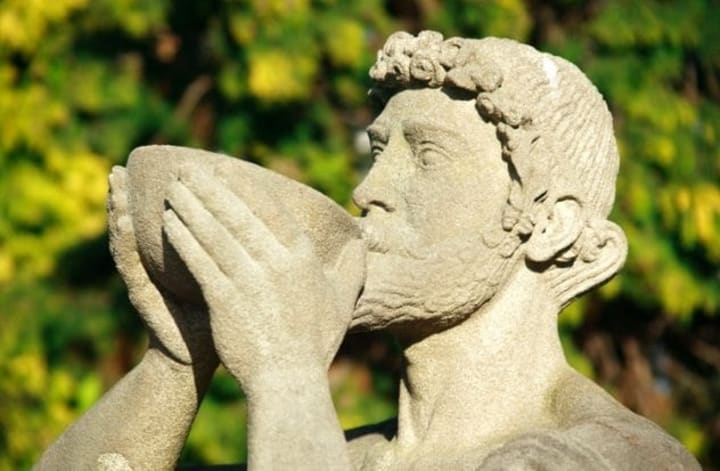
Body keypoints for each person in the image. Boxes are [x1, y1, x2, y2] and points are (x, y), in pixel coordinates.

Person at [36, 31, 699, 470]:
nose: (366, 191)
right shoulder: (342, 454)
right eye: (378, 153)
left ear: (550, 224)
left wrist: (287, 372)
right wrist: (180, 357)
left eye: (428, 156)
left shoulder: (612, 458)